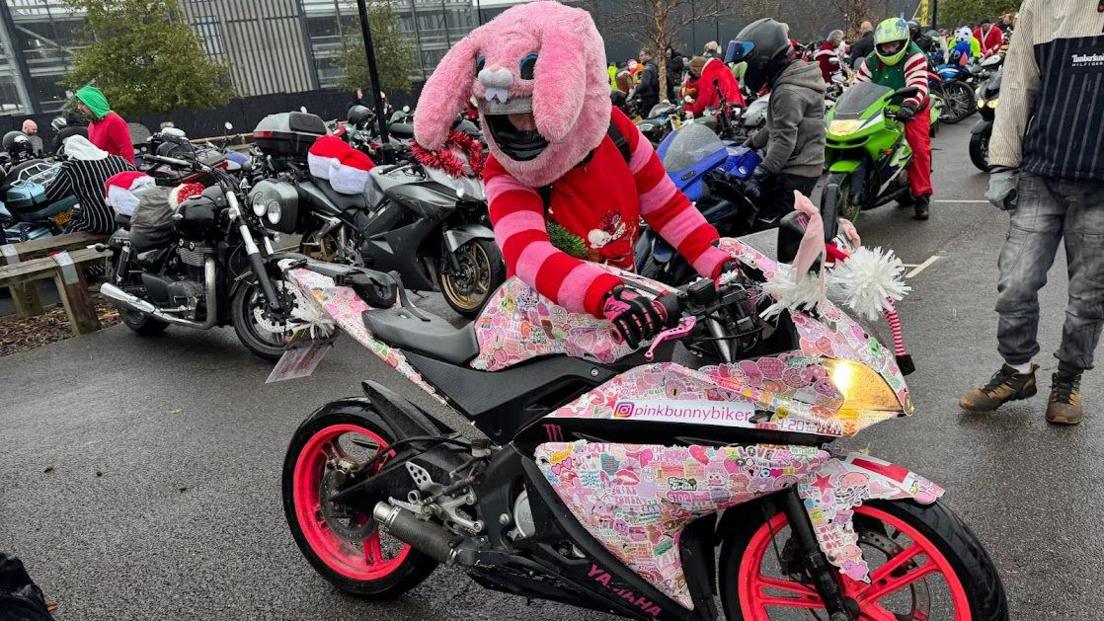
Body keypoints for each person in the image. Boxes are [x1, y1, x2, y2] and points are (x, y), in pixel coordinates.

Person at [413, 1, 736, 348]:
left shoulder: (616, 133)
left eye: (533, 113)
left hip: (623, 310)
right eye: (509, 117)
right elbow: (525, 250)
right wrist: (606, 294)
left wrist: (721, 265)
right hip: (545, 330)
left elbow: (667, 208)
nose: (523, 128)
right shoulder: (504, 169)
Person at [958, 0, 1104, 425]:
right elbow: (1019, 82)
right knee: (1015, 283)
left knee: (1089, 300)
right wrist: (1003, 164)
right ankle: (1017, 371)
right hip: (1042, 175)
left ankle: (1069, 380)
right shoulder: (1041, 6)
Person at [727, 18, 826, 224]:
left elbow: (784, 140)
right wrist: (749, 144)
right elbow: (776, 126)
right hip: (801, 161)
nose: (746, 70)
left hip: (797, 169)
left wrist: (760, 174)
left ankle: (790, 255)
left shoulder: (787, 91)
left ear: (762, 59)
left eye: (746, 62)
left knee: (772, 227)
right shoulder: (789, 79)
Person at [856, 17, 932, 220]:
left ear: (903, 42)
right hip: (881, 107)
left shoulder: (914, 56)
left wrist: (909, 105)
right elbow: (859, 86)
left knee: (918, 148)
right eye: (885, 45)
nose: (889, 49)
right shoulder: (871, 59)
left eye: (894, 44)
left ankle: (922, 196)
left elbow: (918, 82)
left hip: (913, 107)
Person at [42, 135, 134, 234]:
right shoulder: (118, 160)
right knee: (75, 213)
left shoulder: (72, 167)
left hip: (100, 224)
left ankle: (63, 246)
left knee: (65, 222)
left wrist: (46, 185)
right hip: (129, 220)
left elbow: (52, 195)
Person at [72, 85, 134, 164]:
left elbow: (127, 151)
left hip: (117, 172)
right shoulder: (92, 125)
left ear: (93, 104)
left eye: (82, 104)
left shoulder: (113, 120)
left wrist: (127, 173)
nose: (79, 108)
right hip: (103, 173)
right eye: (78, 104)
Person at [685, 52, 745, 117]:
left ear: (696, 69)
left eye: (693, 71)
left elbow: (704, 99)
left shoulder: (707, 75)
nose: (694, 74)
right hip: (738, 106)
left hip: (724, 112)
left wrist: (694, 113)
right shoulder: (725, 69)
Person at [634, 49, 660, 117]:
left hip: (648, 98)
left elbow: (644, 84)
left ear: (648, 55)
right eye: (639, 56)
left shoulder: (647, 68)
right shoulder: (655, 66)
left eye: (642, 55)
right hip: (655, 96)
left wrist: (636, 89)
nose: (640, 58)